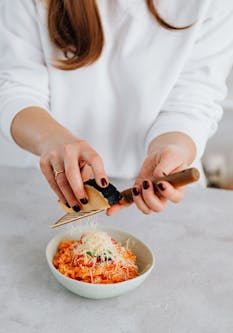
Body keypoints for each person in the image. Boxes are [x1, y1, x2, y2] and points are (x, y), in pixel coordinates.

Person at [0, 0, 233, 216]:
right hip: (42, 188)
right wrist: (52, 139)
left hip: (159, 201)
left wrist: (173, 149)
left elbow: (193, 99)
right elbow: (16, 87)